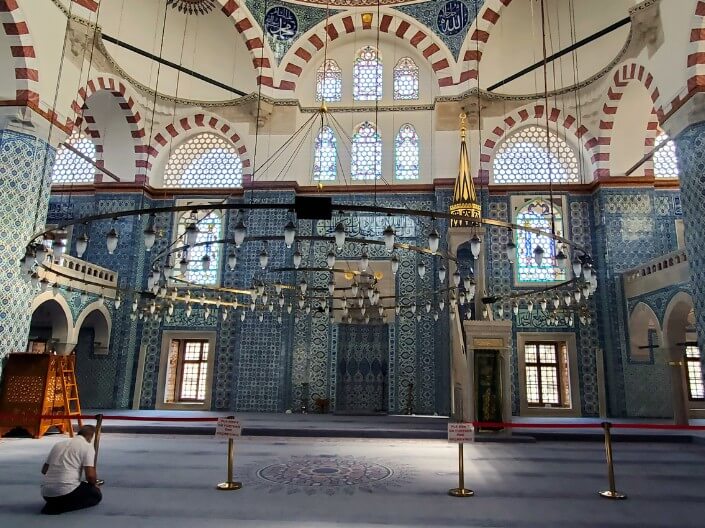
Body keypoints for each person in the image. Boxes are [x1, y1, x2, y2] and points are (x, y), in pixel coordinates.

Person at [40, 425, 102, 515]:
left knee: (81, 486)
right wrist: (95, 485)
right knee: (96, 495)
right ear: (91, 437)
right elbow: (90, 476)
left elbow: (44, 470)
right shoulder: (87, 446)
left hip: (46, 493)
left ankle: (54, 504)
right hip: (66, 492)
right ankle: (59, 507)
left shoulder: (58, 444)